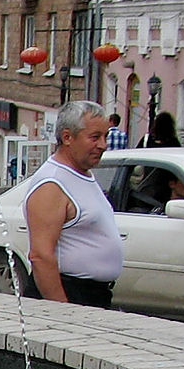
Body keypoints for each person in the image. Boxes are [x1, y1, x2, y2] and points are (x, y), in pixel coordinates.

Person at [23, 101, 123, 308]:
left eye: (105, 136)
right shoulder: (52, 182)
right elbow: (41, 256)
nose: (103, 145)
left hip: (93, 294)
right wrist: (63, 311)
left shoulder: (82, 173)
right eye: (95, 137)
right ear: (67, 137)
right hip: (71, 291)